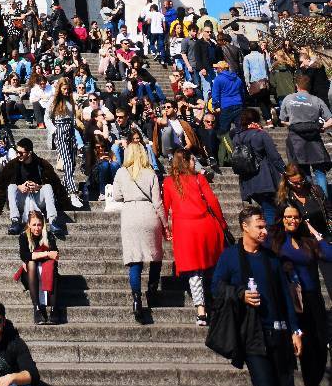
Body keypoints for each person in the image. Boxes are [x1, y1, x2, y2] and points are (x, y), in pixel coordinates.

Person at [211, 206, 301, 386]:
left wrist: (295, 330)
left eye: (265, 227)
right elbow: (216, 287)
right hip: (252, 334)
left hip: (279, 332)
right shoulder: (230, 256)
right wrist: (240, 294)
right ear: (245, 227)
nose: (264, 231)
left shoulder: (272, 258)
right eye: (259, 227)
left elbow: (286, 296)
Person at [267, 206, 331, 386]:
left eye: (296, 217)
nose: (292, 220)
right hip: (295, 302)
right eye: (288, 217)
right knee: (307, 351)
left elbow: (329, 254)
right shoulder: (277, 241)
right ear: (281, 219)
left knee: (322, 350)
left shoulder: (307, 242)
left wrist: (314, 231)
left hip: (315, 301)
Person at [162, 150, 227, 325]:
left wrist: (164, 229)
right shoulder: (199, 178)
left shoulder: (168, 182)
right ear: (186, 162)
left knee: (194, 271)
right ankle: (218, 303)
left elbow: (164, 207)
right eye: (192, 159)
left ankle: (201, 310)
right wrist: (222, 222)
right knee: (212, 267)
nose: (194, 162)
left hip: (184, 229)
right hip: (205, 225)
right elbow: (213, 201)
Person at [111, 141, 168, 324]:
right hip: (148, 213)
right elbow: (158, 202)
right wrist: (165, 224)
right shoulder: (150, 173)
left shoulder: (121, 172)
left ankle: (136, 299)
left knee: (134, 260)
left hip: (130, 215)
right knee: (155, 255)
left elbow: (116, 196)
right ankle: (152, 291)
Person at [0, 138, 68, 237]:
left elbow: (56, 184)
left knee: (48, 187)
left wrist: (39, 187)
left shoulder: (42, 164)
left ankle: (53, 222)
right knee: (11, 187)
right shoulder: (12, 165)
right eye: (17, 152)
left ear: (29, 153)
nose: (18, 155)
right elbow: (2, 185)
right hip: (21, 200)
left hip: (38, 200)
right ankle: (15, 221)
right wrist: (18, 187)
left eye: (21, 153)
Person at [278, 71, 332, 198]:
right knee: (319, 172)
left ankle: (310, 199)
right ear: (309, 86)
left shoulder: (288, 99)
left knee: (304, 172)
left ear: (297, 85)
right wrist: (322, 127)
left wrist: (291, 124)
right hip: (314, 139)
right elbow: (330, 119)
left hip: (296, 140)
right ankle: (324, 200)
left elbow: (282, 120)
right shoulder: (316, 100)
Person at [229, 109, 285, 227]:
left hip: (248, 180)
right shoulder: (260, 134)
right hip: (265, 179)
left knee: (267, 208)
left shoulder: (236, 138)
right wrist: (286, 171)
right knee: (270, 210)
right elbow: (274, 156)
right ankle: (272, 239)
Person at [17, 210, 61, 326]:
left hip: (46, 271)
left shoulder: (49, 235)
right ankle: (37, 309)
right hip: (30, 276)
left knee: (51, 265)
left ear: (43, 224)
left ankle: (54, 308)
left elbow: (55, 254)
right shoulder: (23, 236)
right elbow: (24, 255)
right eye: (34, 225)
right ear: (29, 225)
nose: (37, 228)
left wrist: (35, 256)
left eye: (39, 224)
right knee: (31, 263)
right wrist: (46, 254)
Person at [47, 79, 84, 209]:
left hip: (71, 130)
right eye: (64, 89)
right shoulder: (54, 100)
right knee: (67, 162)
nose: (66, 91)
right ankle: (72, 192)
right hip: (60, 130)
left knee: (72, 163)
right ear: (59, 89)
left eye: (68, 89)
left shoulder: (70, 100)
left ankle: (61, 189)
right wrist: (54, 131)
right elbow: (47, 118)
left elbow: (74, 118)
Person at [210, 58, 245, 140]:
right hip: (238, 104)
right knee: (240, 128)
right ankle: (241, 144)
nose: (216, 69)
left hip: (226, 105)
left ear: (221, 69)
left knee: (224, 128)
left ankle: (225, 147)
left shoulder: (218, 79)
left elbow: (215, 95)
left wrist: (214, 105)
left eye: (217, 68)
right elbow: (242, 92)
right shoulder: (237, 78)